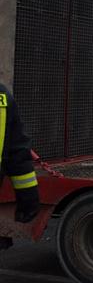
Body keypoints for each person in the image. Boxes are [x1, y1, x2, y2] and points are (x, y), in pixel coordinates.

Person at [0, 83, 40, 224]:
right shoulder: (3, 96)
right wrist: (28, 200)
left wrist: (28, 199)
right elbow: (17, 150)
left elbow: (16, 151)